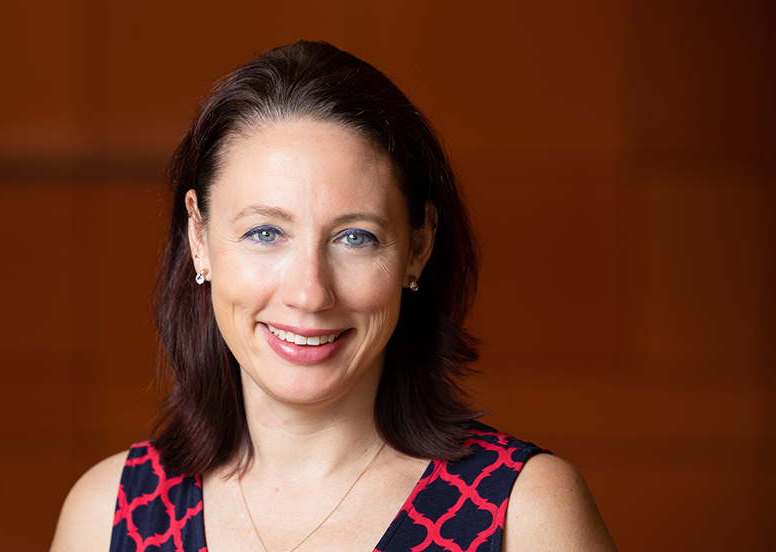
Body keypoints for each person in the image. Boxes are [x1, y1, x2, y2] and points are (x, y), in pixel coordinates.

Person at [50, 40, 618, 552]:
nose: (309, 292)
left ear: (417, 247)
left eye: (355, 237)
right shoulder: (108, 516)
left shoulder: (524, 513)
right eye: (265, 233)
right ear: (199, 238)